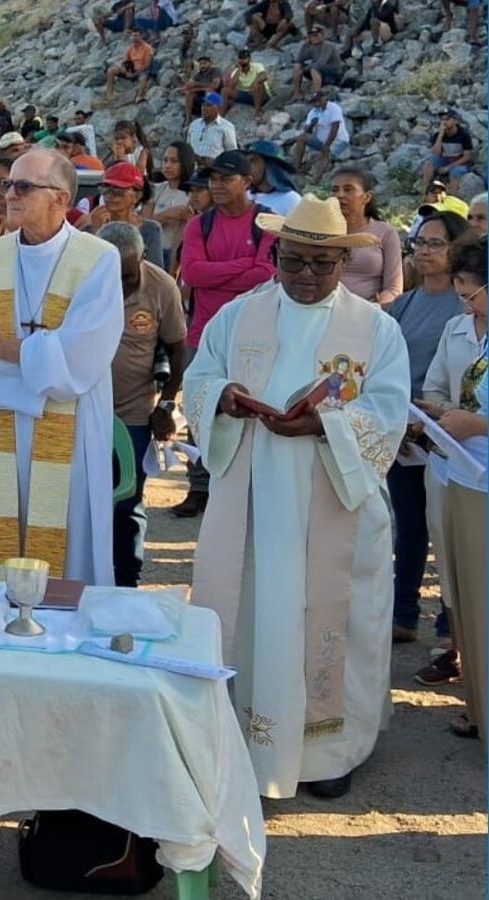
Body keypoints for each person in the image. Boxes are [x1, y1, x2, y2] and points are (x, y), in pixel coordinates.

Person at [187, 195, 409, 800]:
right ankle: (246, 738)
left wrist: (325, 426)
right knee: (257, 614)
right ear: (276, 255)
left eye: (320, 264)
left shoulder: (375, 328)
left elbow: (388, 412)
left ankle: (329, 749)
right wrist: (225, 397)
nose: (305, 276)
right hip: (254, 502)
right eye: (293, 262)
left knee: (334, 616)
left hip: (333, 498)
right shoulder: (238, 316)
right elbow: (199, 377)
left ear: (342, 261)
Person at [0, 149, 124, 583]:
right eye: (7, 184)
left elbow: (82, 361)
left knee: (66, 548)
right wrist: (41, 361)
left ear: (60, 198)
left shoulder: (98, 260)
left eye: (23, 186)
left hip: (71, 426)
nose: (9, 194)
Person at [172, 150, 277, 518]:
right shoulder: (198, 225)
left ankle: (245, 486)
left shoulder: (265, 222)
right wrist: (242, 268)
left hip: (253, 335)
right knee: (201, 409)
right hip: (204, 333)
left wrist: (222, 271)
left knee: (251, 408)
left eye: (224, 178)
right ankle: (199, 487)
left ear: (247, 182)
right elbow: (194, 274)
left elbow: (265, 274)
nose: (215, 185)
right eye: (212, 178)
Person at [388, 211, 470, 653]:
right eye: (420, 242)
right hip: (403, 432)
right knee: (408, 527)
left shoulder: (468, 305)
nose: (424, 250)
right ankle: (403, 615)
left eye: (435, 243)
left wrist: (431, 423)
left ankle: (449, 625)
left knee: (447, 532)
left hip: (451, 433)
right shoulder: (406, 302)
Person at [414, 238, 487, 711]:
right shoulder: (458, 328)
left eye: (473, 293)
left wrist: (477, 423)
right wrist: (439, 413)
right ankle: (475, 702)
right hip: (455, 471)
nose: (466, 303)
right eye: (460, 293)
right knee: (462, 586)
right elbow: (438, 384)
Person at [100, 222, 188, 587]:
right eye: (113, 275)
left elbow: (178, 348)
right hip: (84, 411)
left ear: (144, 259)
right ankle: (89, 576)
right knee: (85, 501)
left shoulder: (161, 287)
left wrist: (166, 404)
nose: (121, 284)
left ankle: (126, 581)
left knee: (127, 501)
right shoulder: (81, 281)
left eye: (128, 275)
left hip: (135, 413)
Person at [330, 167, 401, 306]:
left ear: (367, 197)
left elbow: (394, 289)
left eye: (348, 189)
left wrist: (373, 309)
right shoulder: (322, 230)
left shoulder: (385, 232)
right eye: (335, 190)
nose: (339, 195)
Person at [82, 162, 165, 267]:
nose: (110, 195)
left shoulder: (150, 230)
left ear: (137, 196)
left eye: (118, 190)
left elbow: (154, 272)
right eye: (105, 189)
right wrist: (95, 233)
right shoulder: (90, 229)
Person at [145, 141, 199, 266]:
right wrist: (167, 215)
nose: (168, 165)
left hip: (178, 254)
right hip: (152, 252)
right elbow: (144, 225)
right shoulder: (156, 189)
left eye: (174, 161)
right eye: (165, 160)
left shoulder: (193, 194)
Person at [290, 90, 352, 180]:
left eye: (319, 100)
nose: (317, 103)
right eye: (314, 101)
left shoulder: (334, 108)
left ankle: (317, 178)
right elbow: (307, 131)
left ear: (324, 98)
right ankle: (297, 166)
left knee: (325, 152)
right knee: (301, 138)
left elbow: (335, 127)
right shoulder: (313, 112)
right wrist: (312, 124)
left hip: (338, 140)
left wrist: (327, 144)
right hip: (321, 140)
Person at [420, 109, 476, 194]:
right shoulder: (439, 134)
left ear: (456, 121)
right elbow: (436, 153)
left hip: (460, 162)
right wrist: (440, 135)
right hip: (445, 160)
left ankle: (452, 197)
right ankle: (425, 190)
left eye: (448, 119)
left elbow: (467, 156)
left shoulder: (463, 134)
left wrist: (449, 167)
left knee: (456, 172)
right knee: (429, 162)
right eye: (442, 120)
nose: (444, 122)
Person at [245, 141, 303, 217]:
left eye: (253, 161)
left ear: (270, 166)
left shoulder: (291, 200)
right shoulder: (245, 196)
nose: (247, 167)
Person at [288, 26, 345, 101]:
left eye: (316, 35)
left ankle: (316, 94)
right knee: (297, 66)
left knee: (314, 68)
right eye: (311, 36)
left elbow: (321, 62)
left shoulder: (328, 45)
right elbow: (299, 59)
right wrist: (305, 45)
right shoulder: (312, 47)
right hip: (320, 72)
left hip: (333, 75)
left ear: (322, 35)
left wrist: (304, 70)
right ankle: (297, 93)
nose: (314, 37)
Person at [104, 30, 158, 104]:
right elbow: (125, 62)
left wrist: (135, 74)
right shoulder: (130, 48)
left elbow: (147, 65)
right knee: (111, 70)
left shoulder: (148, 48)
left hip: (141, 70)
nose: (134, 38)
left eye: (136, 36)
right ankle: (109, 95)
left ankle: (139, 97)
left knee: (143, 78)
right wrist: (127, 72)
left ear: (141, 36)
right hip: (131, 68)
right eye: (133, 36)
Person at [187, 92, 239, 165]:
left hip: (212, 170)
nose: (204, 108)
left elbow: (232, 153)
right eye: (203, 105)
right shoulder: (194, 124)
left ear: (218, 108)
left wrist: (216, 162)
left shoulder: (226, 127)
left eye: (208, 105)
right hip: (192, 168)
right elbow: (188, 148)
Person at [222, 48, 272, 122]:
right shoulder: (236, 71)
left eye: (244, 58)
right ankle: (222, 113)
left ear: (249, 59)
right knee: (225, 91)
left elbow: (264, 76)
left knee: (258, 85)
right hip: (247, 94)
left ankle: (257, 112)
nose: (243, 61)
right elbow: (231, 86)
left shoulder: (257, 66)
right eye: (241, 58)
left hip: (261, 94)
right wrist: (239, 70)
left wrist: (254, 83)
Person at [183, 54, 226, 119]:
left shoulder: (215, 71)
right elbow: (188, 87)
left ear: (210, 63)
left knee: (209, 91)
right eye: (201, 64)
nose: (203, 65)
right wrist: (199, 87)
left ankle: (215, 116)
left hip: (216, 98)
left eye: (205, 63)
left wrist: (197, 84)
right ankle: (187, 119)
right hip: (202, 99)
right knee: (190, 94)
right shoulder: (198, 75)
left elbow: (215, 85)